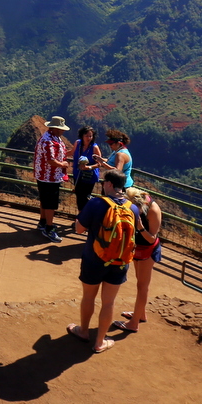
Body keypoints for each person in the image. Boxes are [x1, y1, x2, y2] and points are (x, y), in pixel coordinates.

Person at [67, 170, 139, 354]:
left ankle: (83, 331)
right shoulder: (133, 208)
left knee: (89, 297)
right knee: (108, 302)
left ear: (108, 184)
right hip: (120, 262)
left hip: (94, 258)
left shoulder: (97, 203)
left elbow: (79, 229)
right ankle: (100, 342)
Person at [116, 186, 162, 333]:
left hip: (148, 250)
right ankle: (140, 314)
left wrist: (140, 227)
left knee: (143, 286)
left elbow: (152, 238)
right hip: (137, 248)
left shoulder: (153, 210)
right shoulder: (137, 207)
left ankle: (134, 323)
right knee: (139, 282)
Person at [33, 116, 72, 242]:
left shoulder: (52, 138)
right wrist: (63, 165)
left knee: (45, 200)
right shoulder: (49, 141)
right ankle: (49, 229)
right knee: (50, 203)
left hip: (45, 175)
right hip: (49, 177)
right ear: (55, 128)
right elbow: (51, 160)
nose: (63, 131)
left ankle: (43, 223)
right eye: (61, 129)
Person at [72, 126, 103, 217]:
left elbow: (99, 163)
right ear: (82, 135)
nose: (89, 138)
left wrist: (88, 167)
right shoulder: (78, 143)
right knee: (79, 196)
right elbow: (72, 152)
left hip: (89, 177)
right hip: (77, 175)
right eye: (87, 135)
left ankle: (83, 219)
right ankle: (81, 217)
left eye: (91, 136)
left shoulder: (94, 147)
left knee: (85, 197)